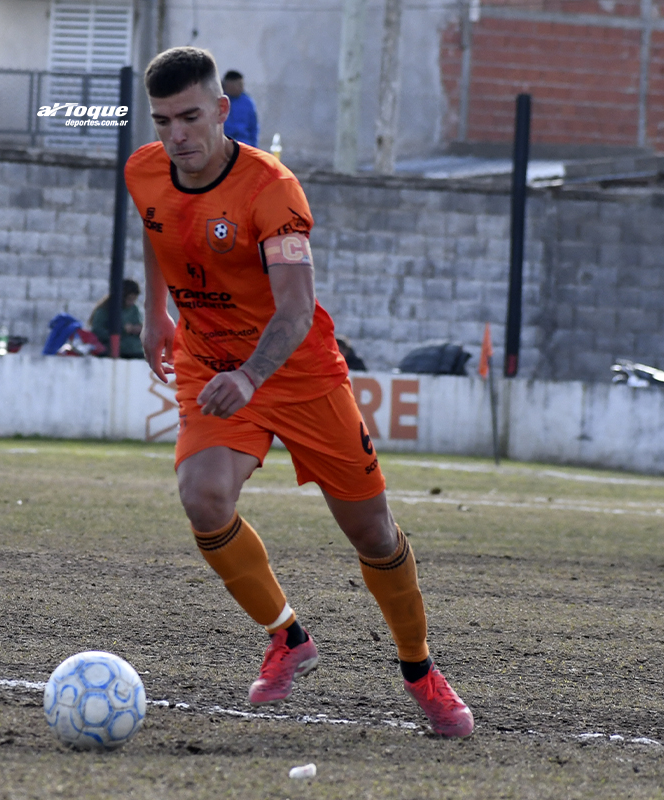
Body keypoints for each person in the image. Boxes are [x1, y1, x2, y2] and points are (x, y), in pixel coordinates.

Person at [126, 46, 473, 737]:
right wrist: (155, 313)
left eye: (190, 118)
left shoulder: (271, 189)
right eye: (163, 121)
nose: (176, 136)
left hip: (298, 371)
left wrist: (251, 376)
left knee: (372, 533)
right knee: (203, 498)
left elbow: (295, 307)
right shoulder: (144, 169)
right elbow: (156, 228)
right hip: (209, 362)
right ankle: (287, 637)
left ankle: (419, 670)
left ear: (222, 110)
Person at [89, 278, 145, 359]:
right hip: (113, 346)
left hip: (134, 348)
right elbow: (97, 331)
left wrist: (138, 329)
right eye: (129, 299)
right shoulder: (105, 309)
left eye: (134, 299)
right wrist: (120, 330)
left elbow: (139, 326)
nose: (131, 302)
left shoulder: (134, 309)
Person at [221, 70, 258, 149]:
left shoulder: (247, 102)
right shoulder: (219, 101)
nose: (242, 88)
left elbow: (253, 127)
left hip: (245, 145)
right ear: (229, 84)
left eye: (242, 85)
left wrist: (254, 147)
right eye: (239, 85)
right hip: (224, 145)